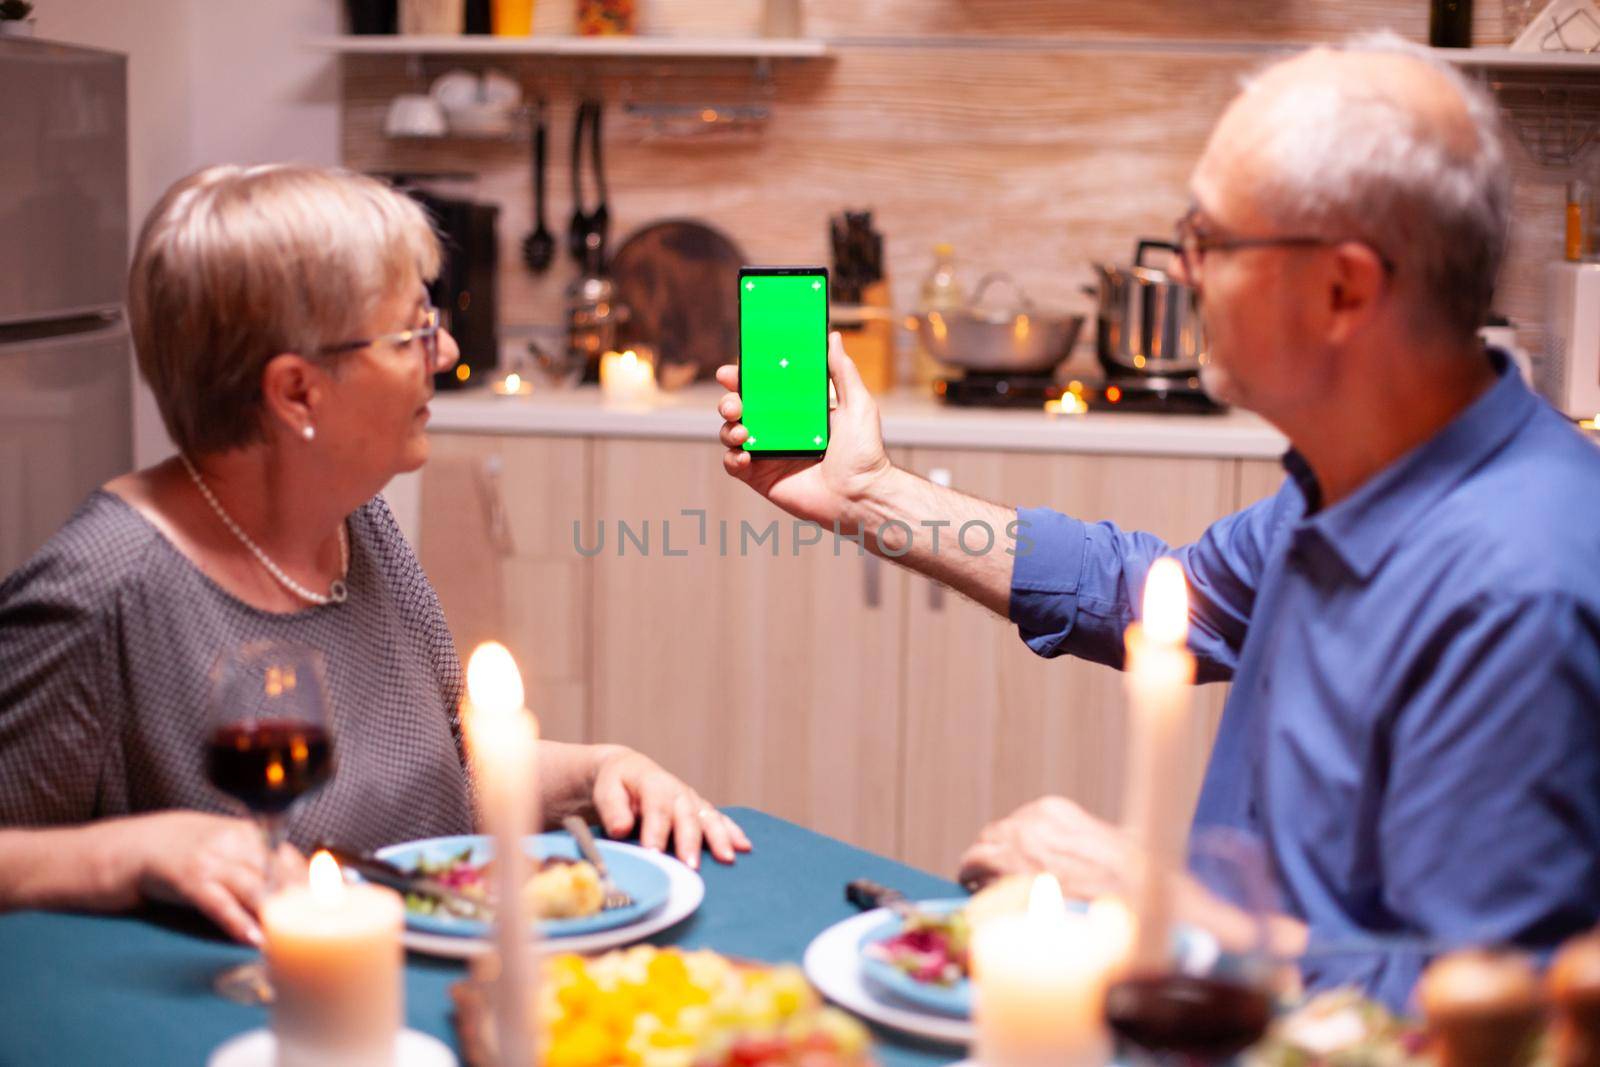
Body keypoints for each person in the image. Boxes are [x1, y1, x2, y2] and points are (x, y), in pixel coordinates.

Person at [715, 36, 1600, 1010]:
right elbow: (1152, 595)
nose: (1181, 272)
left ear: (1344, 288)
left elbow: (1500, 1010)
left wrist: (1157, 903)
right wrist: (870, 495)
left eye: (1209, 241)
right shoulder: (1355, 475)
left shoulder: (1524, 590)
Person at [0, 164, 748, 948]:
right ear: (296, 393)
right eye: (415, 331)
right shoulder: (100, 590)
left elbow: (446, 775)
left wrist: (599, 771)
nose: (450, 349)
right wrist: (123, 851)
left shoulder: (359, 520)